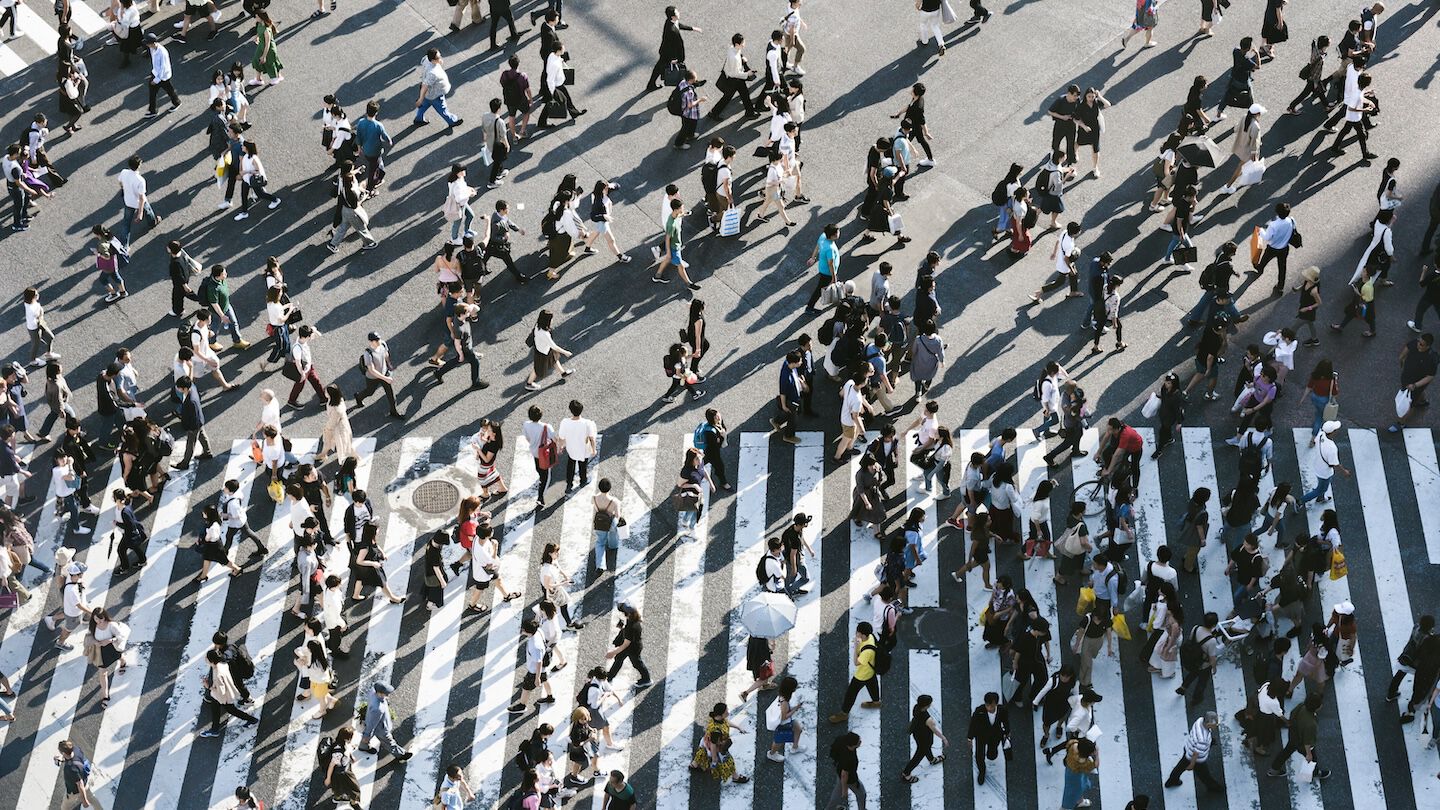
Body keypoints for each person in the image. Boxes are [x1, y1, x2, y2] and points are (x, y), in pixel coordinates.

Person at [828, 622, 881, 723]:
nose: (856, 633)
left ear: (863, 635)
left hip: (862, 675)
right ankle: (876, 702)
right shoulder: (871, 637)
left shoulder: (867, 652)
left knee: (851, 694)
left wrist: (856, 647)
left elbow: (856, 662)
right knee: (872, 685)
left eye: (858, 632)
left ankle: (844, 714)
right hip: (871, 671)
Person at [1389, 332, 1438, 432]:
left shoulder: (1431, 358)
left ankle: (1401, 423)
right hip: (1406, 378)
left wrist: (1415, 385)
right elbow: (1408, 347)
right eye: (1418, 342)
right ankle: (1422, 401)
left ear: (1428, 346)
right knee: (1418, 394)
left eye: (1421, 344)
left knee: (1408, 403)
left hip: (1415, 384)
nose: (1418, 345)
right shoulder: (1416, 344)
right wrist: (1401, 358)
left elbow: (1430, 376)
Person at [1164, 712, 1223, 792]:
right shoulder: (1203, 740)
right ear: (1208, 724)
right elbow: (1196, 753)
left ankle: (1172, 780)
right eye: (1214, 724)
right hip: (1197, 759)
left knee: (1180, 766)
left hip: (1189, 748)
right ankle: (1213, 787)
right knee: (1204, 775)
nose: (1216, 726)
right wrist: (1192, 764)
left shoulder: (1199, 721)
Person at [646, 6, 700, 91]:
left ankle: (650, 84)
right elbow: (679, 46)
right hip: (668, 54)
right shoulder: (672, 31)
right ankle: (688, 84)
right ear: (673, 16)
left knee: (659, 67)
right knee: (678, 69)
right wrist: (678, 59)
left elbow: (678, 25)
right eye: (677, 12)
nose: (679, 13)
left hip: (664, 51)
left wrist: (692, 28)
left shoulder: (669, 21)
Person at [358, 681, 413, 759]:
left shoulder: (373, 692)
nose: (387, 694)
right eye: (386, 693)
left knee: (371, 737)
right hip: (381, 729)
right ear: (379, 693)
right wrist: (366, 735)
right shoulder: (377, 709)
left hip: (376, 722)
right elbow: (371, 724)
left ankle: (363, 746)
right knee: (389, 742)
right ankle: (401, 755)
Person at [967, 691, 1010, 786]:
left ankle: (992, 753)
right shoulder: (979, 711)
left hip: (995, 736)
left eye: (991, 706)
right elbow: (973, 724)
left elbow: (1006, 721)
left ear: (996, 704)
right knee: (979, 756)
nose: (988, 708)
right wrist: (970, 738)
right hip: (981, 736)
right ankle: (982, 771)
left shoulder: (1002, 710)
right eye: (987, 705)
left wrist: (1007, 732)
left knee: (992, 755)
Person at [414, 48, 462, 127]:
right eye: (438, 57)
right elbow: (425, 86)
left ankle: (419, 119)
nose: (440, 58)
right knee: (442, 109)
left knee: (423, 106)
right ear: (433, 60)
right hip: (435, 94)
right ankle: (452, 121)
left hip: (428, 94)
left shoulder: (427, 59)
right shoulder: (433, 73)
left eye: (440, 56)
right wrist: (420, 98)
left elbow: (423, 61)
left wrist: (421, 98)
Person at [826, 732, 865, 810]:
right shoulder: (849, 759)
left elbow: (833, 751)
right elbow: (844, 775)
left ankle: (830, 808)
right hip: (849, 778)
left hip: (839, 768)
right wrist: (845, 790)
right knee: (861, 793)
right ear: (851, 745)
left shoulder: (841, 739)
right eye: (858, 742)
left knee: (837, 792)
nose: (860, 742)